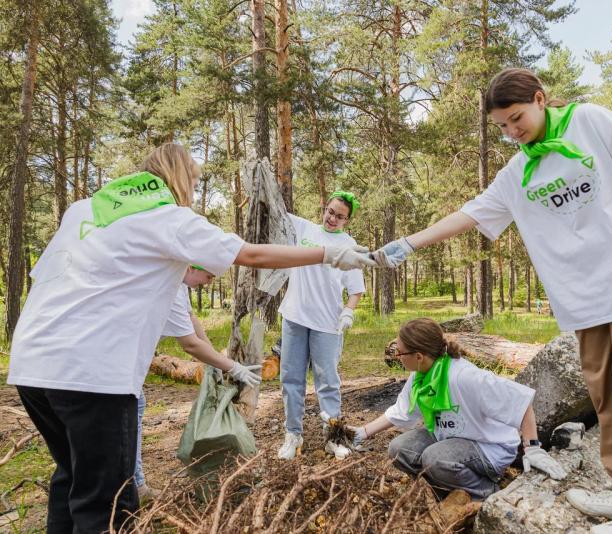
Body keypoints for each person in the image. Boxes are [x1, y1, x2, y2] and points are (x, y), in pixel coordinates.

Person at [370, 69, 612, 533]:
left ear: (540, 99)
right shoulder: (519, 170)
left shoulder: (590, 122)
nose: (511, 131)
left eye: (516, 118)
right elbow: (470, 213)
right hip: (587, 298)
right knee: (605, 395)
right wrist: (408, 243)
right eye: (502, 126)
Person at [6, 143, 374, 533]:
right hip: (93, 377)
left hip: (32, 366)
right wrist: (329, 256)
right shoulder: (169, 218)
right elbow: (251, 255)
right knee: (108, 500)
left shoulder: (83, 209)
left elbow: (45, 278)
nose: (195, 192)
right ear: (180, 179)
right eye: (195, 182)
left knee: (71, 478)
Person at [349, 318, 565, 500]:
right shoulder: (421, 378)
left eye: (400, 353)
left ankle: (485, 494)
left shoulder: (464, 377)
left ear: (418, 356)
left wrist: (533, 447)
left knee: (435, 458)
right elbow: (400, 411)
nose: (397, 357)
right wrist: (362, 432)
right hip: (452, 436)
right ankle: (447, 491)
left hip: (488, 446)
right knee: (399, 449)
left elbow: (520, 403)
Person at [277, 191, 365, 461]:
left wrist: (348, 311)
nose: (332, 218)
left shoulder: (350, 247)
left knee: (327, 381)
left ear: (346, 221)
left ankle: (333, 437)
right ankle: (293, 435)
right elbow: (273, 209)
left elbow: (356, 290)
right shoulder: (304, 228)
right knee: (291, 379)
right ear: (324, 208)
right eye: (330, 211)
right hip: (294, 316)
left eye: (340, 216)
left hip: (327, 323)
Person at [135, 265, 232, 502]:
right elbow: (189, 344)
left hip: (130, 364)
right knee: (128, 416)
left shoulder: (180, 284)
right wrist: (229, 366)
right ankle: (129, 490)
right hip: (115, 363)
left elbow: (191, 319)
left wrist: (214, 354)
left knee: (136, 407)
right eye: (208, 276)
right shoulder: (171, 285)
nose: (209, 283)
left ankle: (136, 485)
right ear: (191, 267)